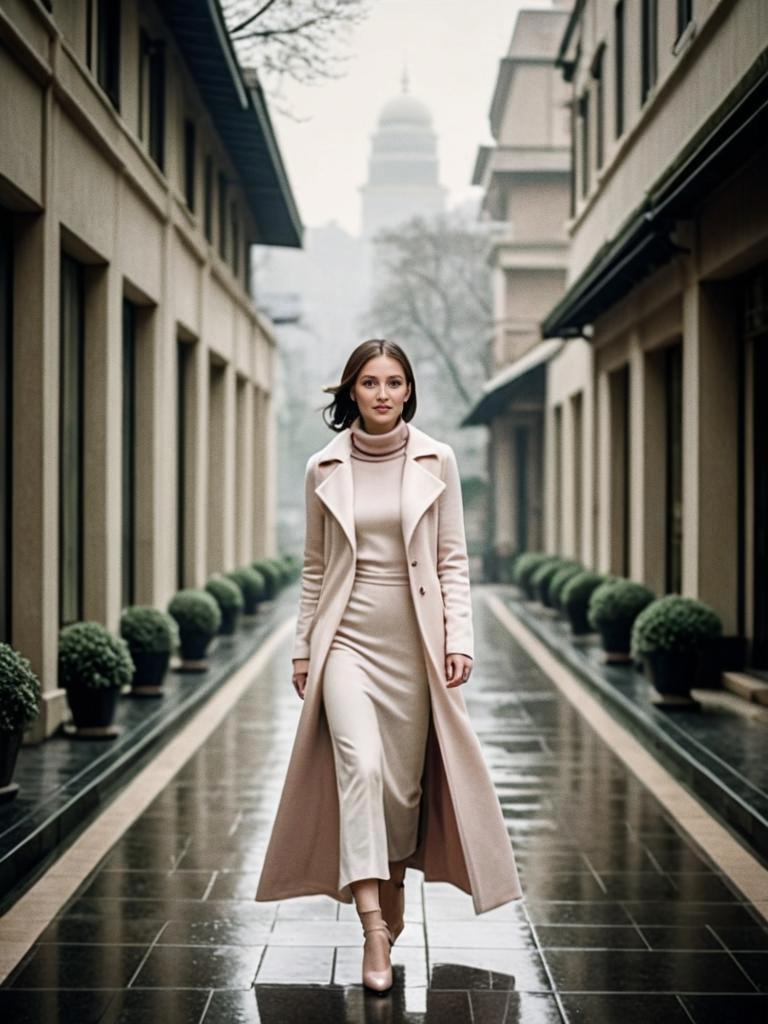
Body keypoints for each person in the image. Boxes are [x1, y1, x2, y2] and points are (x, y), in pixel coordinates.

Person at [255, 339, 523, 994]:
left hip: (416, 648)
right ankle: (374, 925)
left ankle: (393, 877)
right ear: (351, 392)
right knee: (362, 768)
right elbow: (315, 569)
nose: (381, 393)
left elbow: (452, 559)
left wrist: (459, 638)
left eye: (393, 382)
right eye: (369, 382)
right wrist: (302, 647)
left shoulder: (438, 458)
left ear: (408, 391)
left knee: (400, 791)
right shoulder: (324, 466)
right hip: (344, 642)